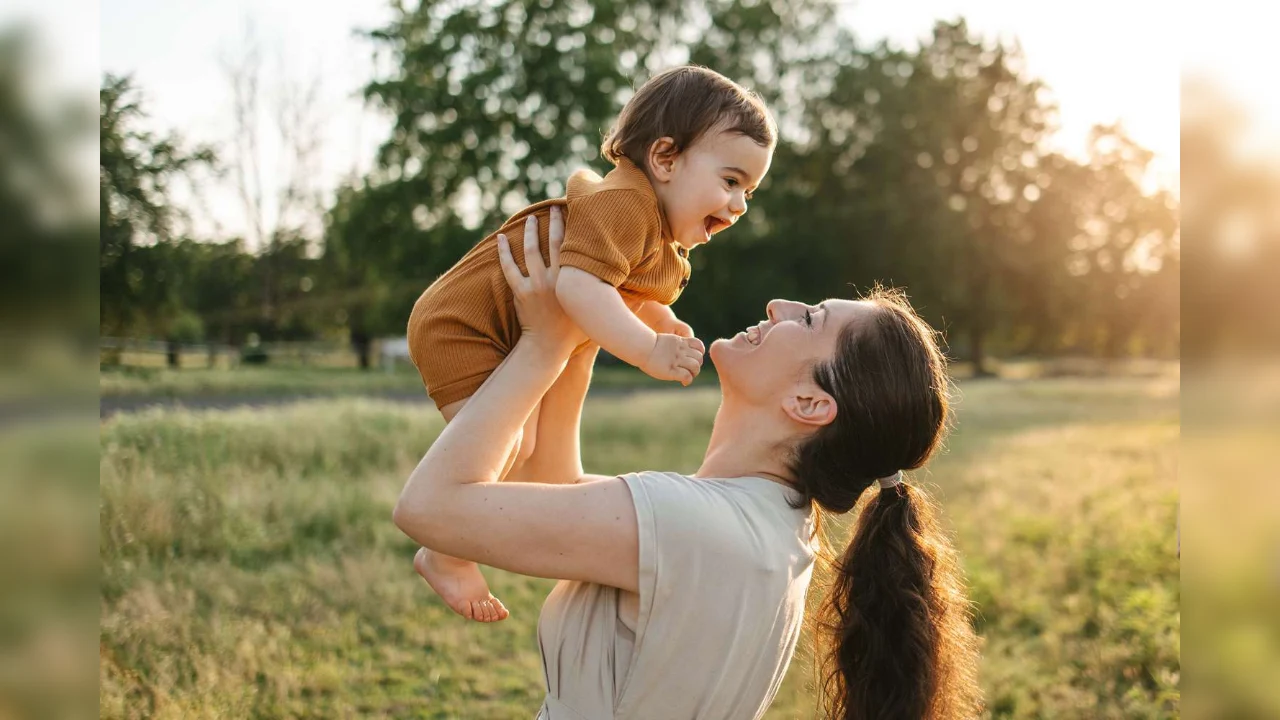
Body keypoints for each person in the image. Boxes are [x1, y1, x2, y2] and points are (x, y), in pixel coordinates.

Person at [393, 213, 983, 718]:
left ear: (810, 403)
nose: (779, 304)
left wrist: (541, 345)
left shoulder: (698, 526)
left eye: (809, 319)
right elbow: (549, 488)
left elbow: (429, 510)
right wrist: (584, 326)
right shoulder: (764, 525)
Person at [405, 65, 776, 620]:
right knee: (508, 445)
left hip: (502, 327)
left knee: (524, 448)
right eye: (730, 181)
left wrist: (658, 318)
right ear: (666, 159)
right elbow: (579, 285)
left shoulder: (651, 229)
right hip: (464, 324)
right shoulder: (625, 206)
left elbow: (615, 286)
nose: (740, 204)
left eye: (748, 190)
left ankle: (449, 544)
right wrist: (648, 349)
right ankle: (444, 551)